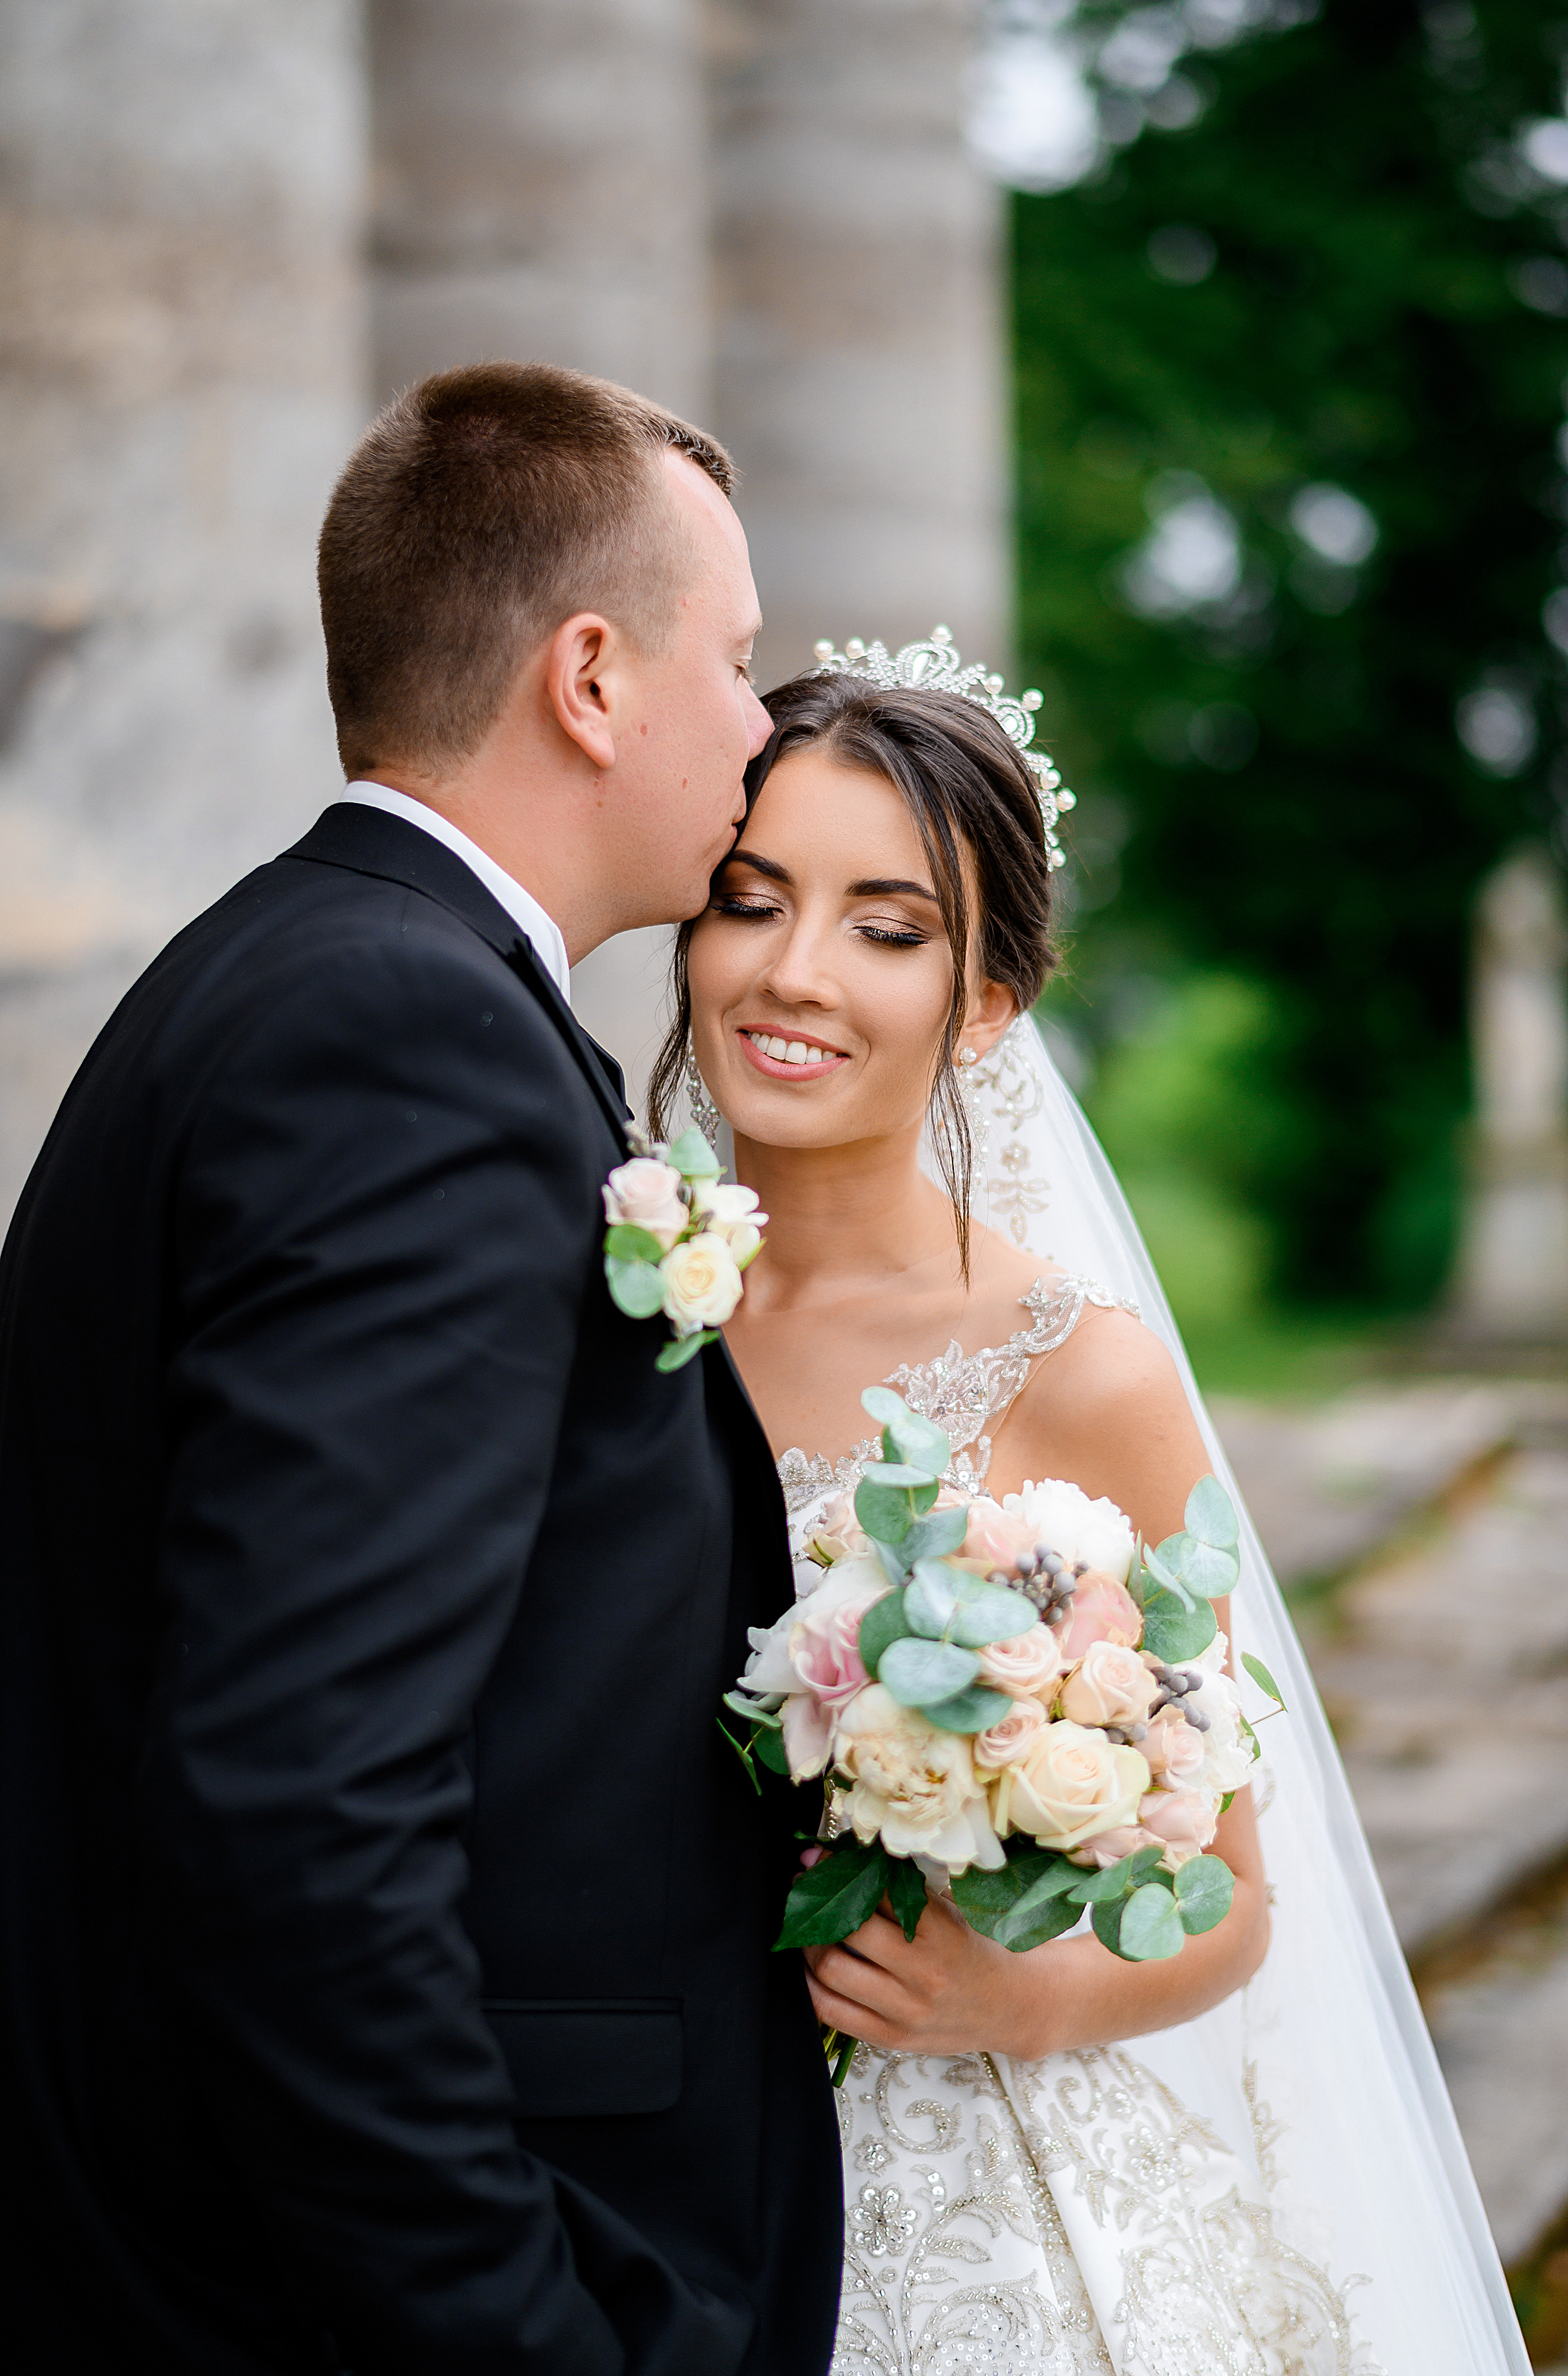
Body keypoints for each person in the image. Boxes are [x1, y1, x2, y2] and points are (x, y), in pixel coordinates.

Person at [0, 364, 842, 2374]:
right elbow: (297, 1793)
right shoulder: (405, 1046)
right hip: (362, 2288)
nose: (762, 726)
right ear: (590, 679)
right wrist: (513, 2329)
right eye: (729, 663)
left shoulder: (308, 971)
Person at [648, 639, 1531, 2375]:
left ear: (985, 1003)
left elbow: (1234, 1893)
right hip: (646, 2165)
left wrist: (1022, 1994)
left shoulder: (1075, 1368)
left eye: (887, 927)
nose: (794, 972)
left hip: (971, 2211)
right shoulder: (613, 1306)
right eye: (750, 900)